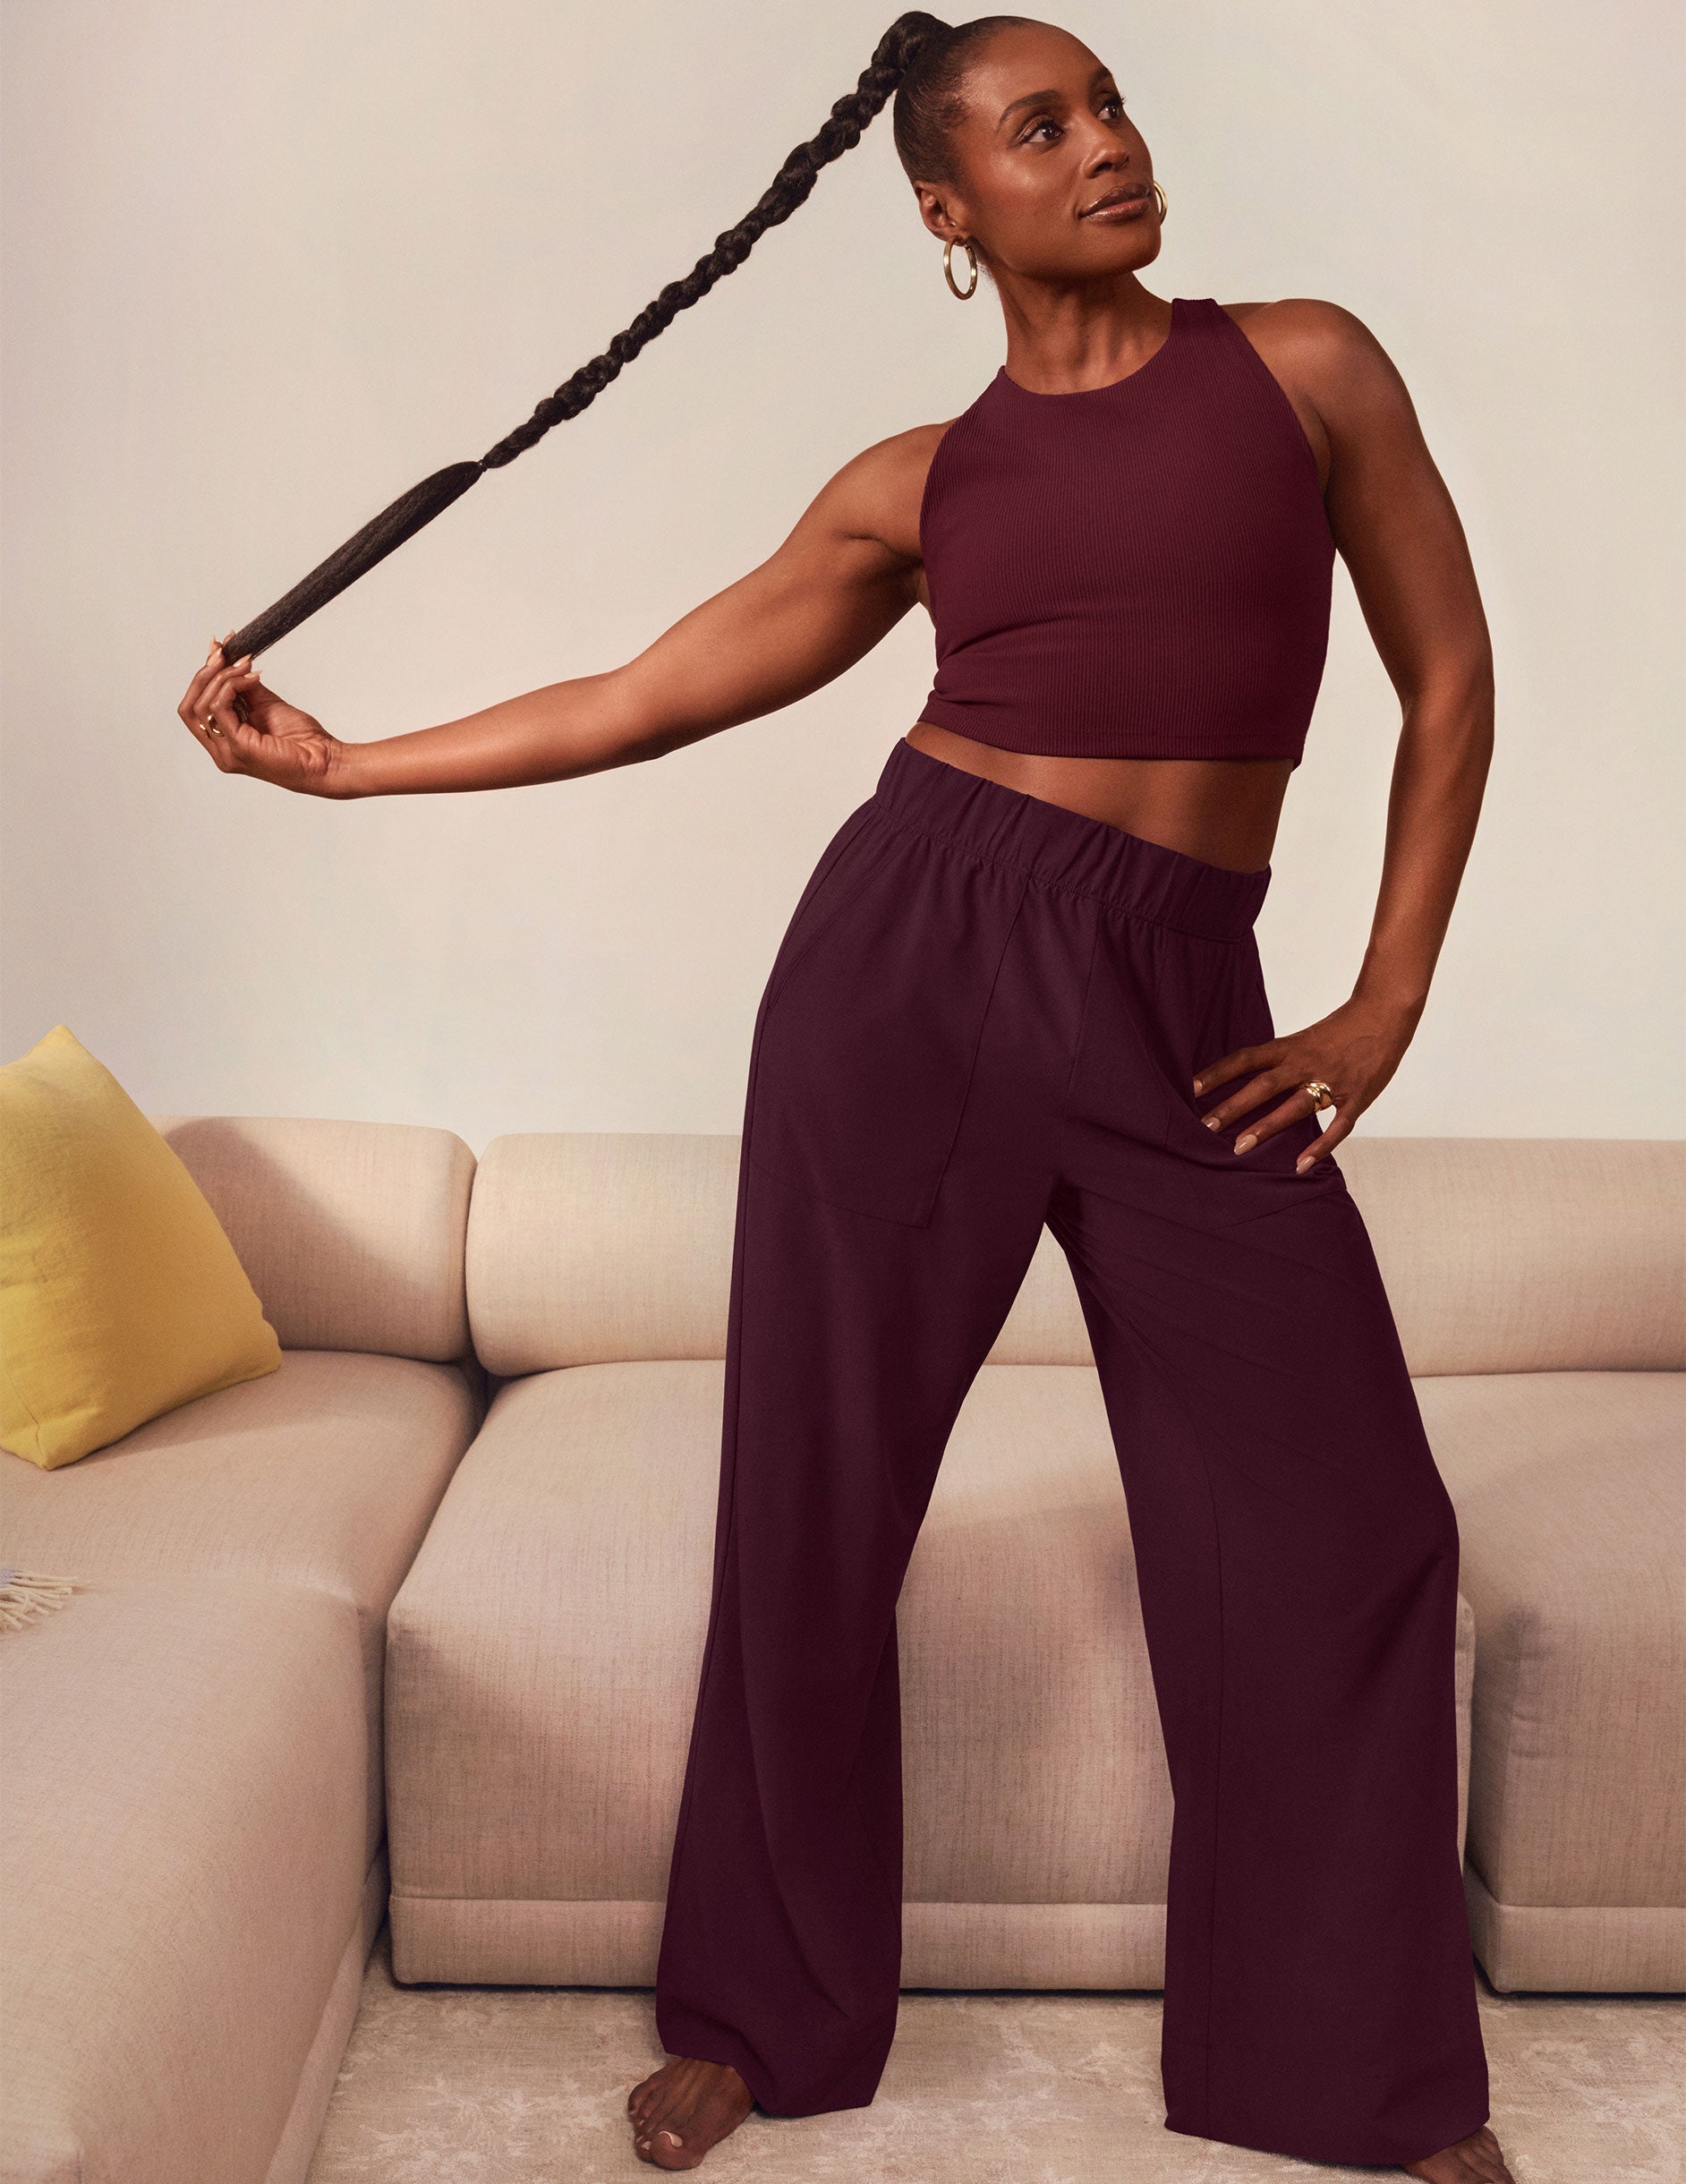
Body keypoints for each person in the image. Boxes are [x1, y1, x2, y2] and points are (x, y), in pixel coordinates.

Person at [175, 15, 1511, 2181]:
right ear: (945, 214)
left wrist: (1383, 998)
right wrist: (341, 766)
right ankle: (760, 2011)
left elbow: (1449, 673)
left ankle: (1355, 2072)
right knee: (816, 1493)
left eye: (1108, 102)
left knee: (1349, 1516)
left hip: (1189, 995)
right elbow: (642, 689)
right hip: (910, 967)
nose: (1106, 146)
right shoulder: (918, 482)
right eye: (1037, 127)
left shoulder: (1306, 368)